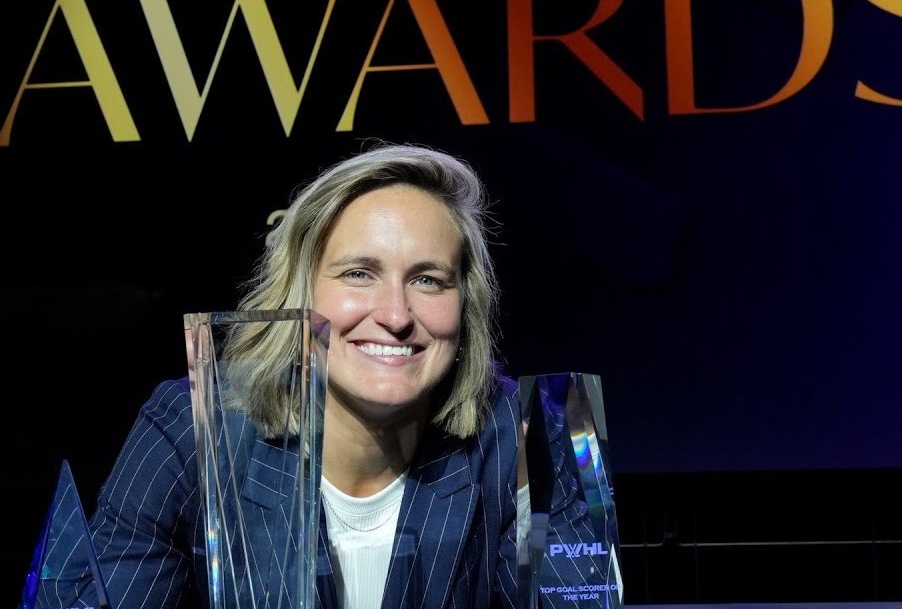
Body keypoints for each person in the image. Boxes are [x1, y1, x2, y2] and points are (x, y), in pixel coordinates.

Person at [33, 141, 610, 609]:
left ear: (467, 308)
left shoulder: (526, 436)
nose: (395, 315)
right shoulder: (192, 426)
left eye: (429, 280)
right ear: (298, 293)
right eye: (359, 273)